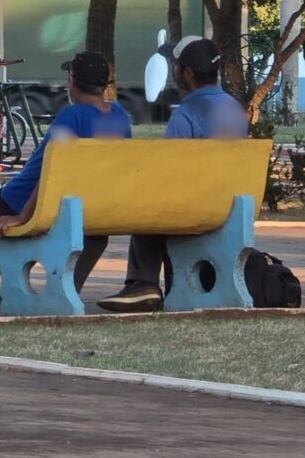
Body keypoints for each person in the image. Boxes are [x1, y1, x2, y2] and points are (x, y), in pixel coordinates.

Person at [0, 51, 132, 289]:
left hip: (23, 201)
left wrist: (22, 217)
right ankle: (64, 291)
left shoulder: (71, 116)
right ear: (105, 85)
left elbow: (53, 172)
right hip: (87, 209)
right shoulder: (119, 116)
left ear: (72, 80)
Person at [97, 36, 249, 313]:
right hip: (227, 206)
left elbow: (171, 174)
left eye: (175, 65)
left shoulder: (186, 115)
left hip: (193, 209)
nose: (172, 69)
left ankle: (142, 283)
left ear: (187, 73)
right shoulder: (236, 109)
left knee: (147, 203)